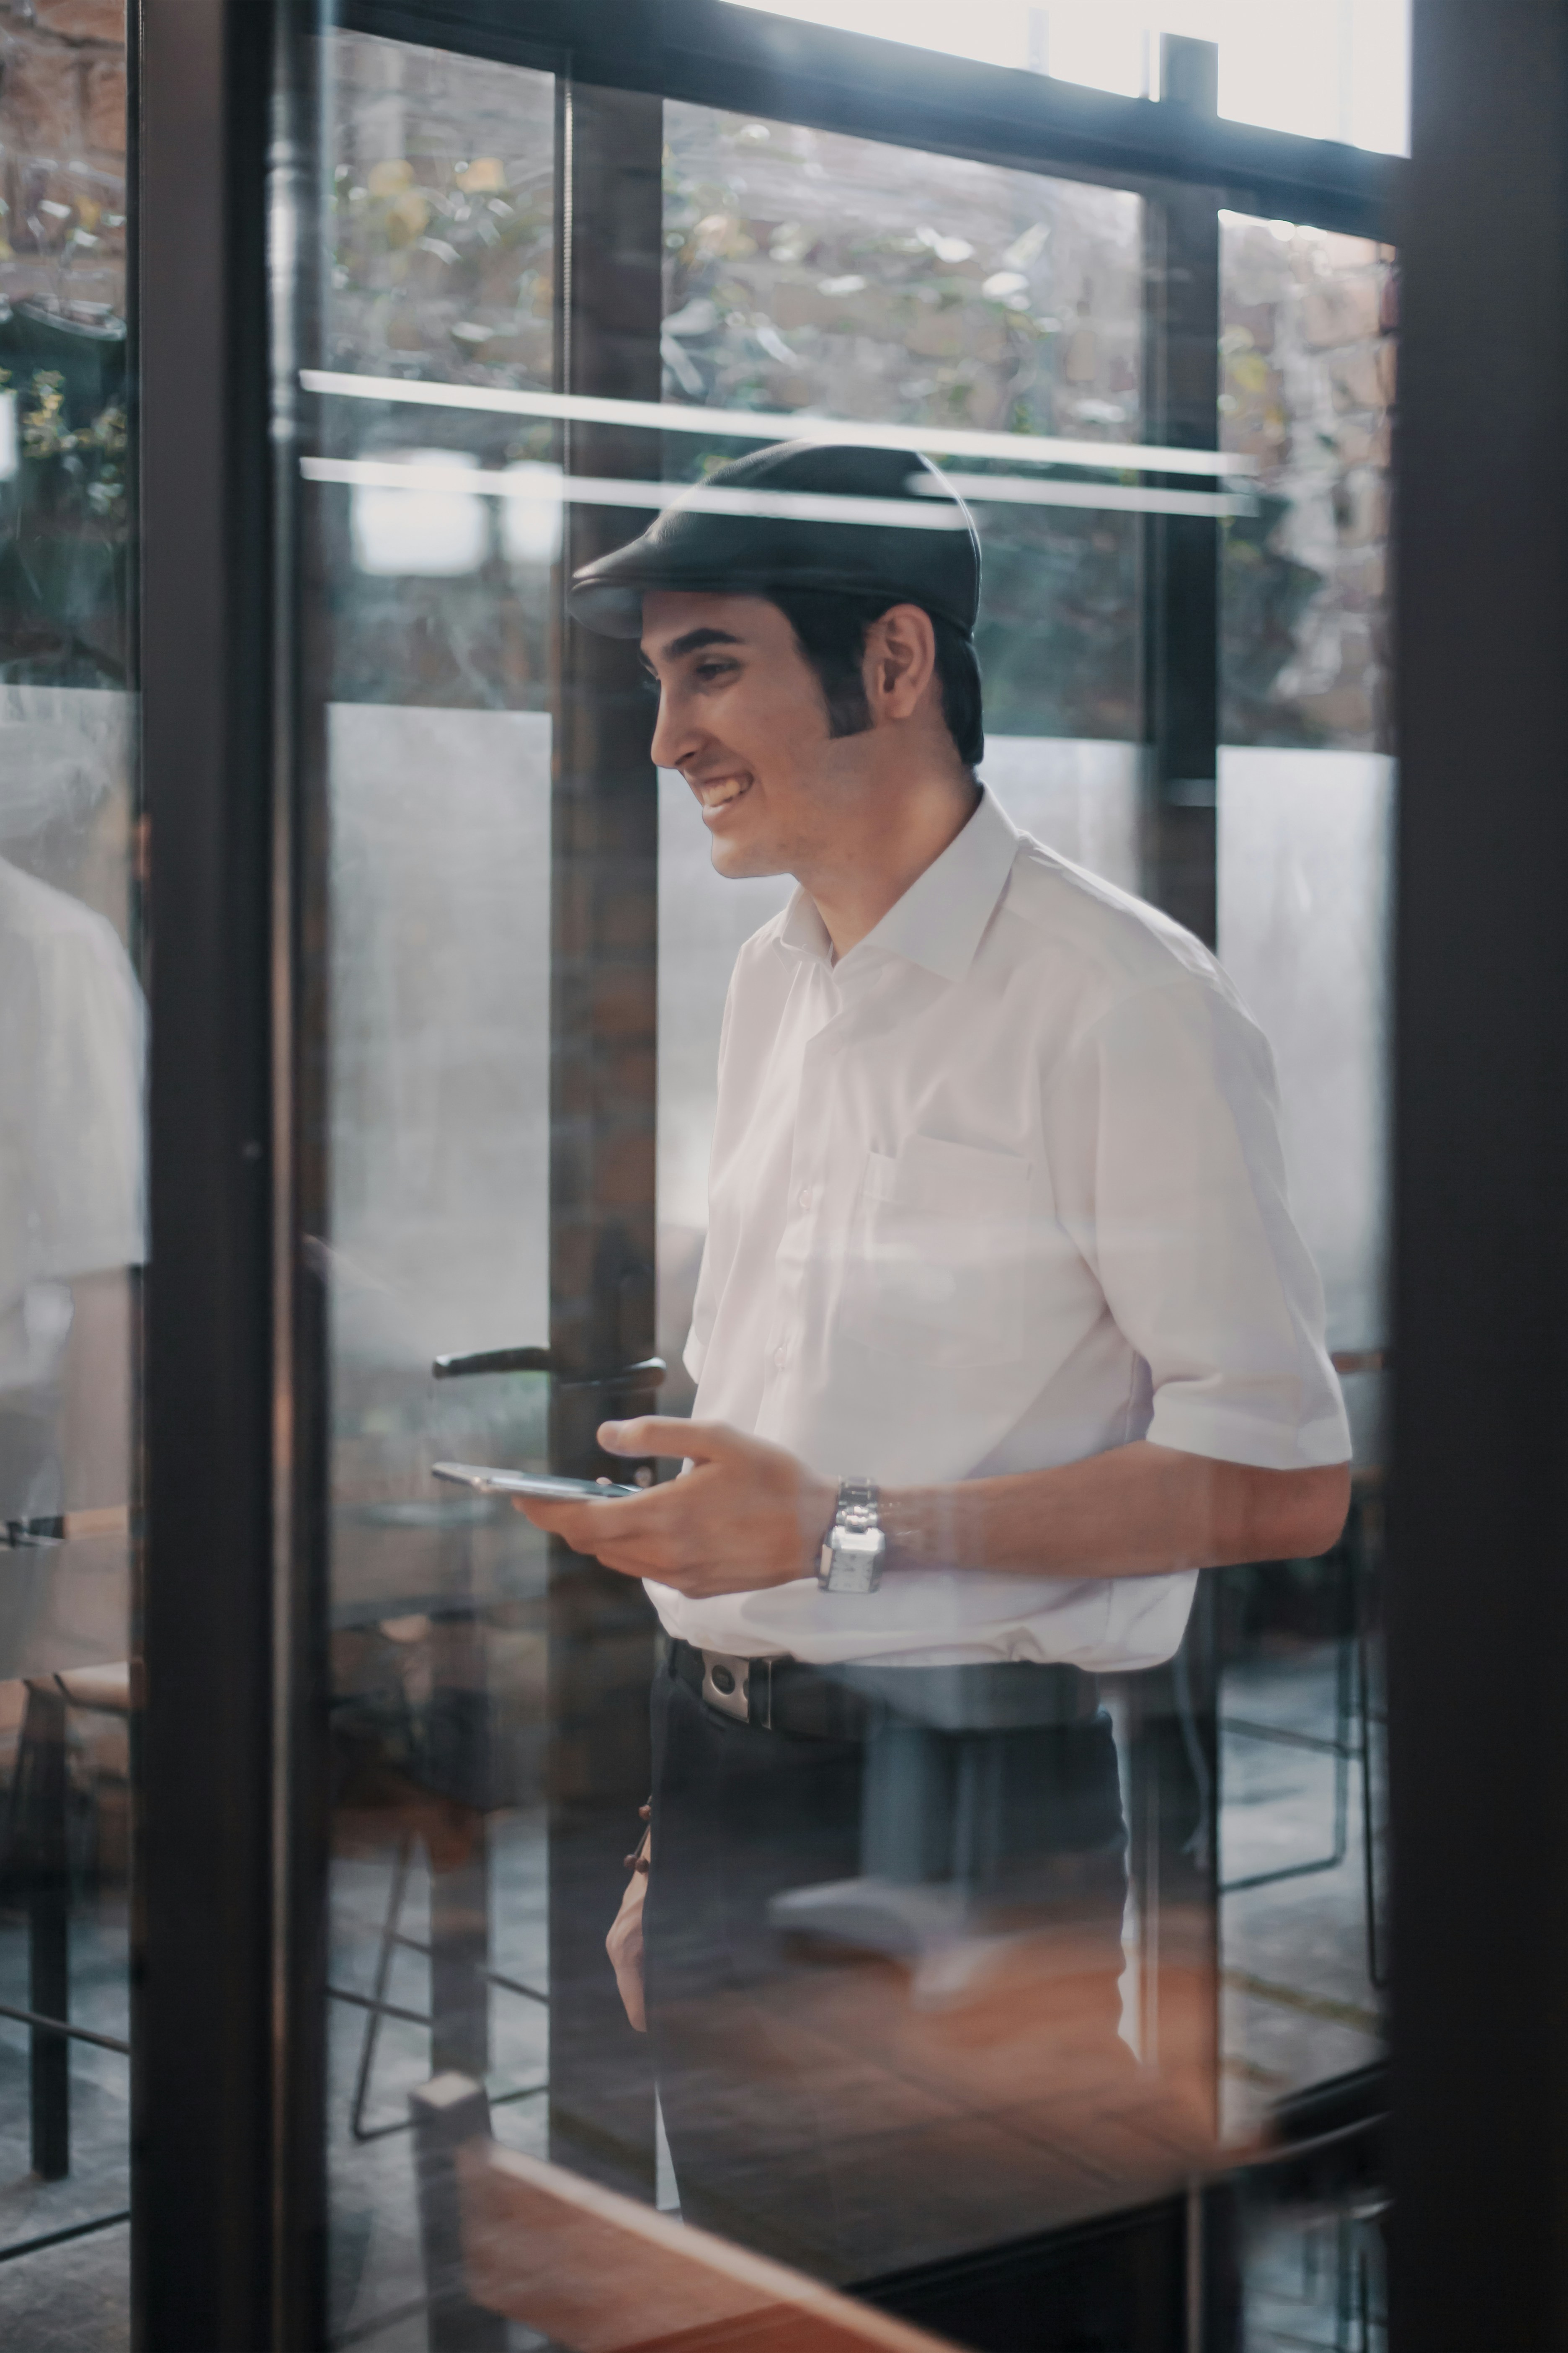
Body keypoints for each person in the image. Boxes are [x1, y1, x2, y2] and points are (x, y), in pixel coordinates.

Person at [521, 439, 1350, 2288]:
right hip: (736, 1769)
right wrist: (686, 1818)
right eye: (658, 680)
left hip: (991, 1788)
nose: (667, 740)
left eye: (712, 667)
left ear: (892, 665)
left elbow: (1287, 1475)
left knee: (986, 2307)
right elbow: (774, 1430)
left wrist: (850, 1533)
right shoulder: (769, 978)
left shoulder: (1123, 1002)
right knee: (758, 2298)